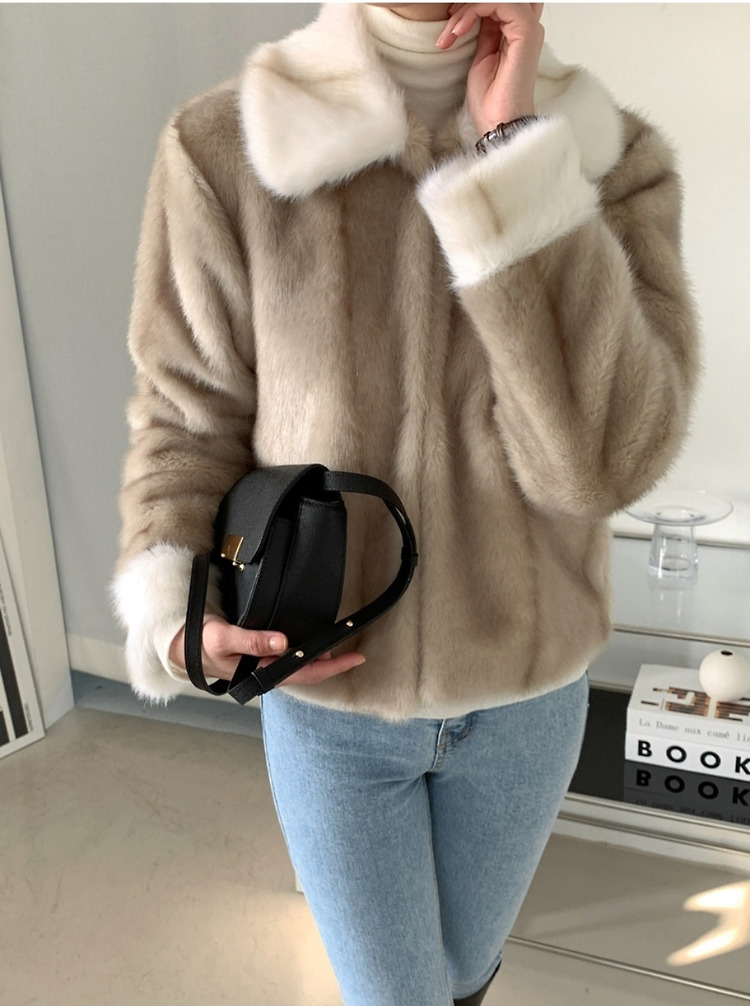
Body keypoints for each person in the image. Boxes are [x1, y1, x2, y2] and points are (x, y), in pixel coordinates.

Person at [113, 3, 699, 1004]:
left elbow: (603, 468)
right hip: (330, 704)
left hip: (528, 697)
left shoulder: (613, 160)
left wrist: (516, 161)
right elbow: (187, 416)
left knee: (464, 974)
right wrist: (177, 612)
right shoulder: (225, 148)